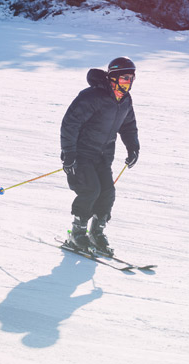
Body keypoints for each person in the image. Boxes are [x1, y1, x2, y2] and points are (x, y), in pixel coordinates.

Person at [60, 56, 140, 254]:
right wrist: (69, 154)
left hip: (103, 156)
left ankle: (96, 233)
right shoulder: (91, 97)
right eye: (124, 79)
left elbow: (128, 126)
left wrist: (133, 147)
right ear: (112, 78)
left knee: (107, 193)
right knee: (90, 191)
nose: (128, 83)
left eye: (131, 79)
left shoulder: (125, 101)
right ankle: (76, 234)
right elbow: (70, 124)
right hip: (82, 155)